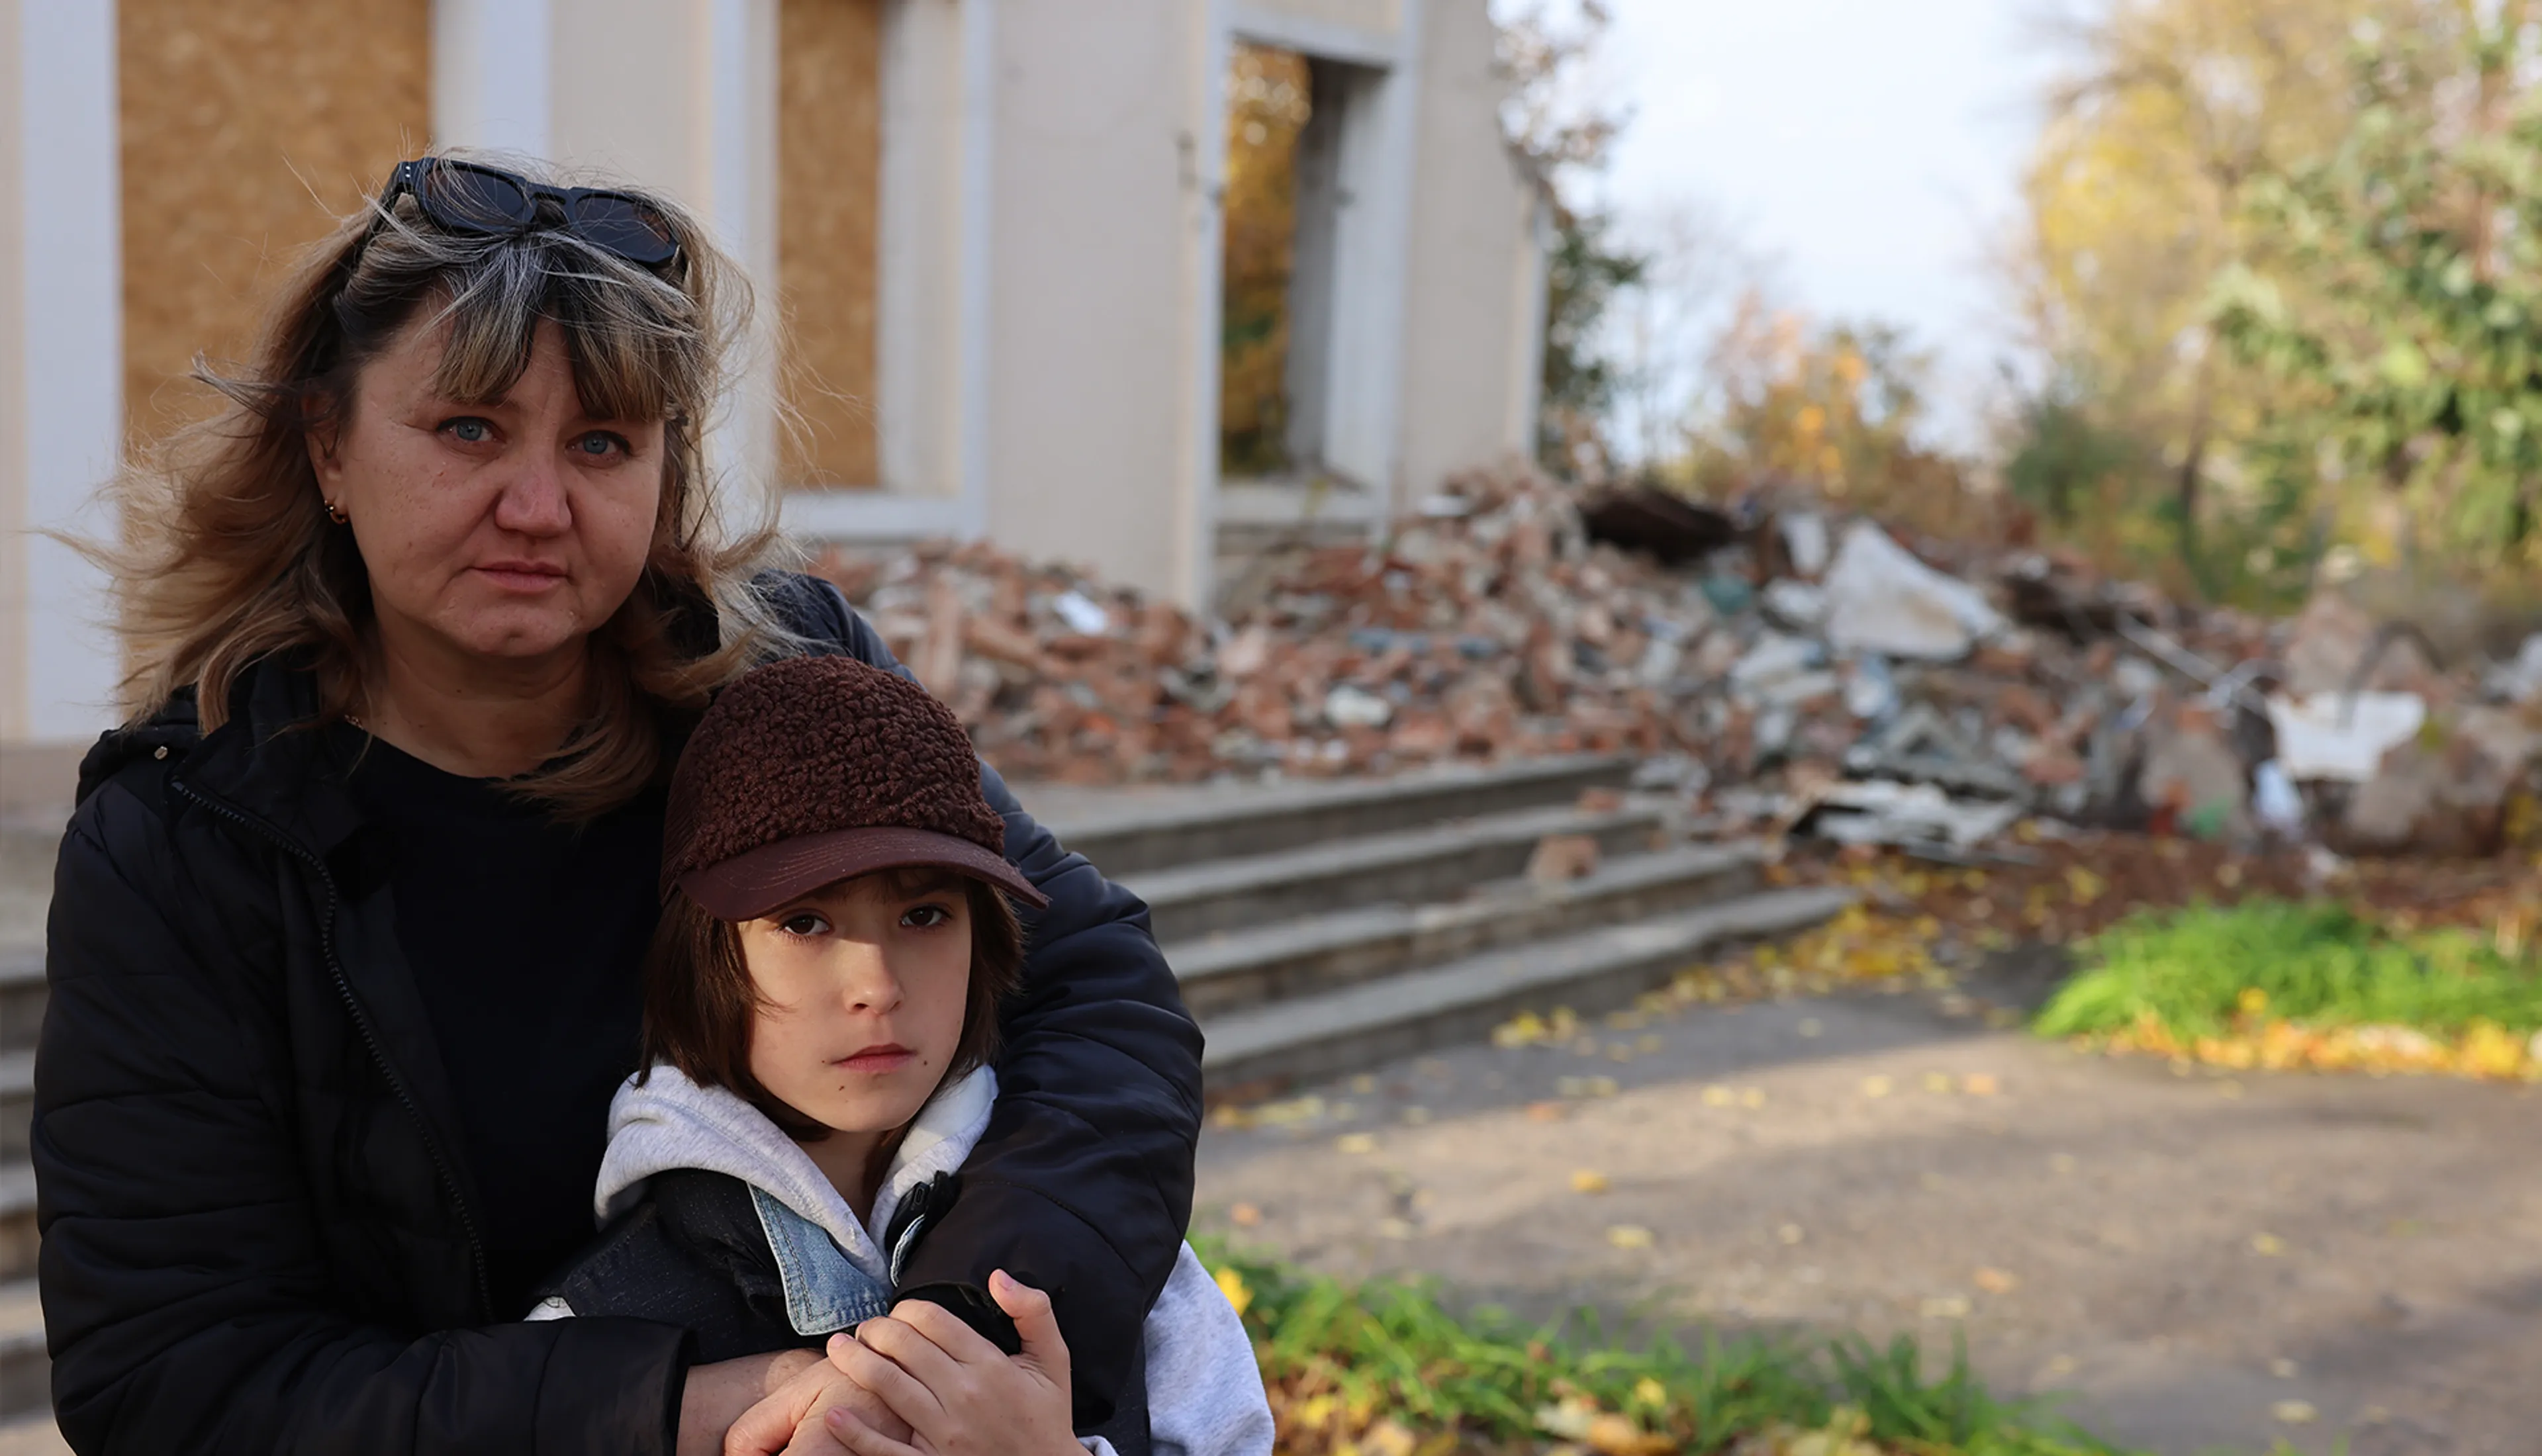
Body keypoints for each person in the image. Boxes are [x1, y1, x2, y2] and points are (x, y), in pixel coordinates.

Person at [34, 154, 1200, 1455]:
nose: (536, 507)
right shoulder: (186, 843)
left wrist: (945, 1350)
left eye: (602, 442)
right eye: (468, 428)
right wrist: (710, 1408)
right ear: (329, 448)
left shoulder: (786, 684)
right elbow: (176, 1375)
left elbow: (1093, 982)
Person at [526, 654, 1272, 1456]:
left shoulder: (1125, 1267)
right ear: (702, 957)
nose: (876, 985)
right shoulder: (593, 1332)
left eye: (924, 914)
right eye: (804, 923)